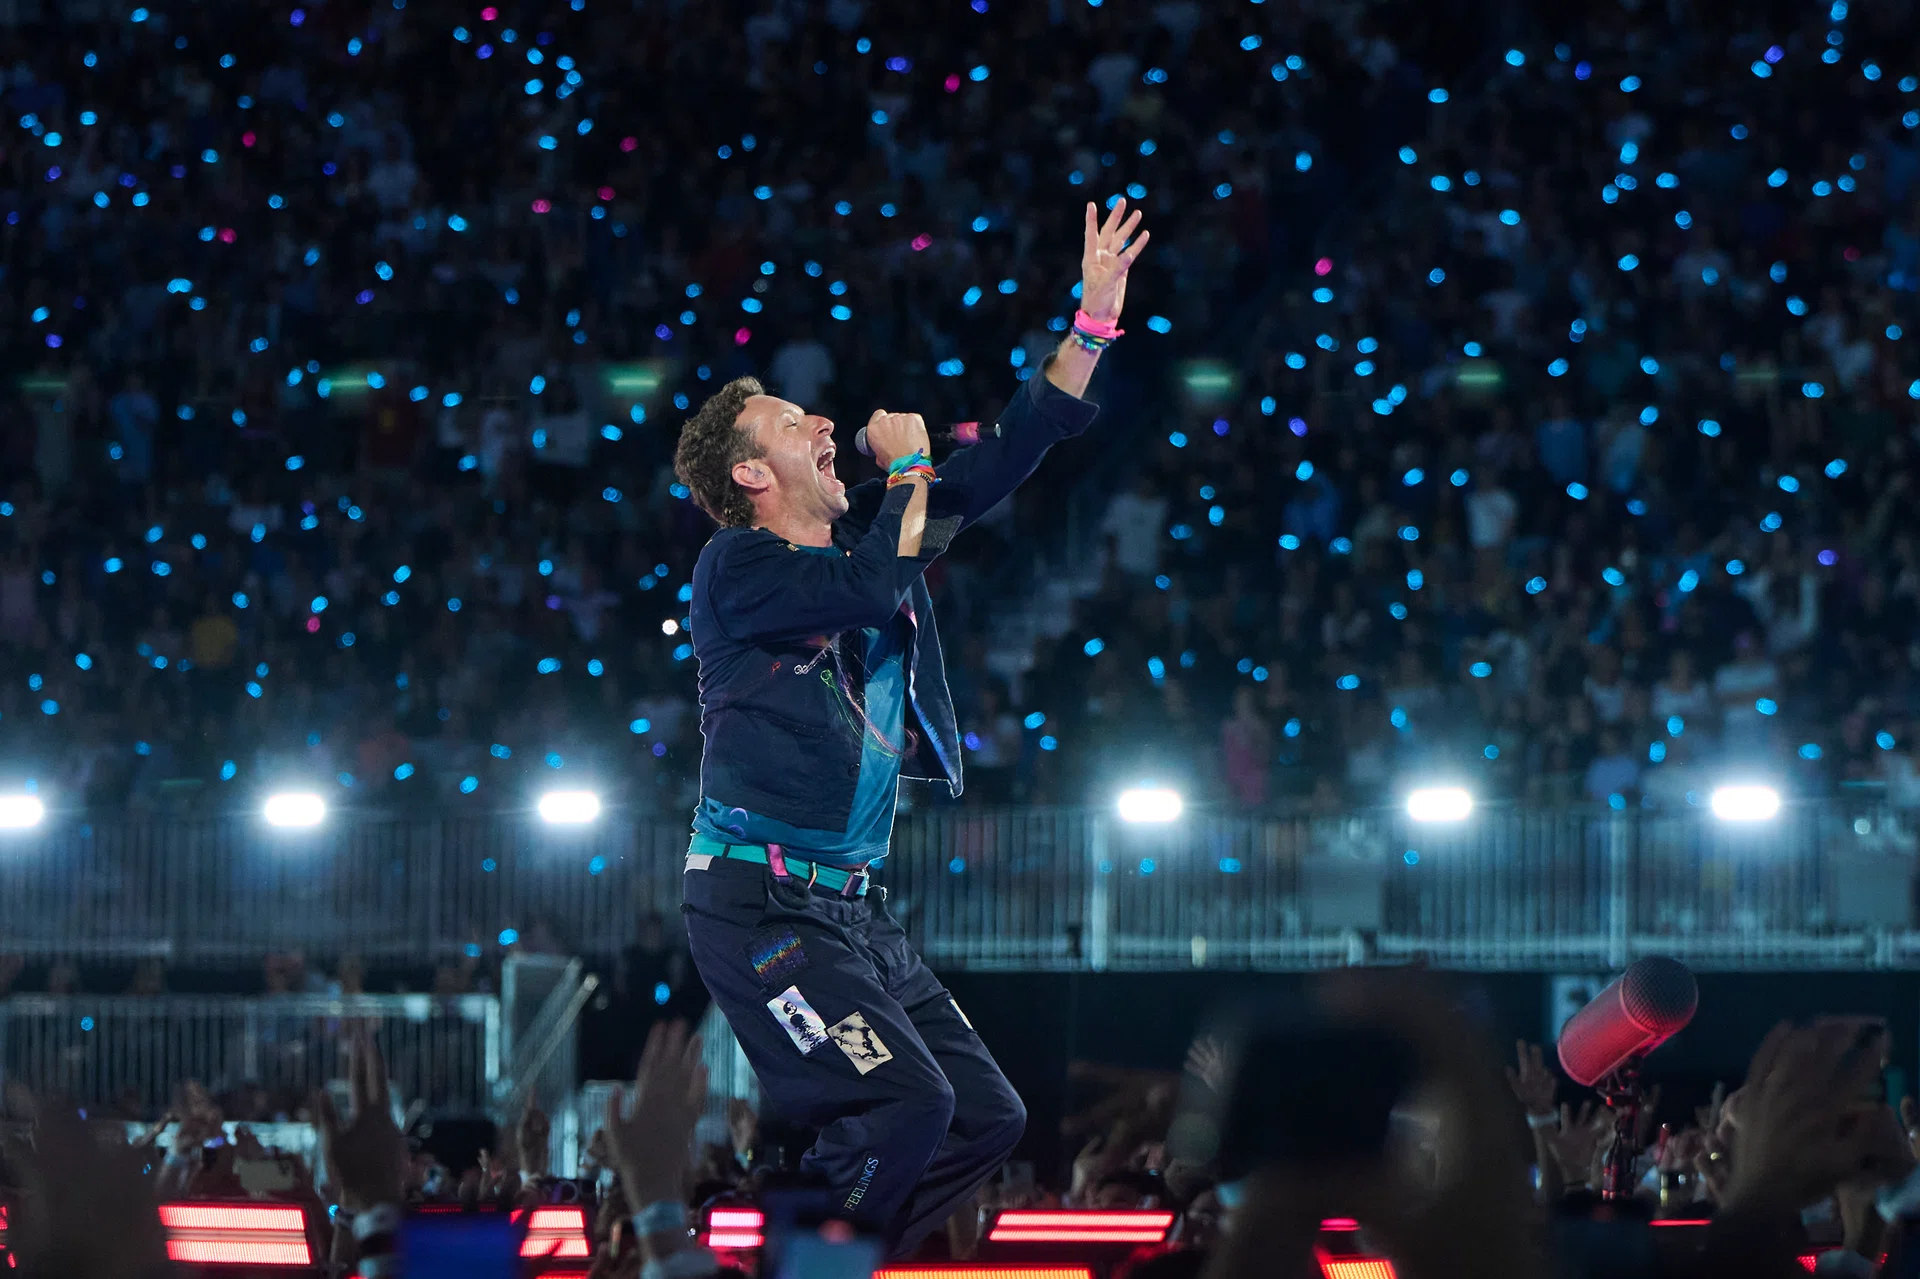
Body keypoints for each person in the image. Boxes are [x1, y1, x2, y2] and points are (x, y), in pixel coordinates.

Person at [671, 199, 1149, 1254]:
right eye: (796, 427)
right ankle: (800, 1261)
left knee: (990, 1116)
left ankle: (804, 1227)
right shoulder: (738, 568)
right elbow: (868, 581)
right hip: (761, 908)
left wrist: (1094, 325)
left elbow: (1014, 445)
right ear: (751, 476)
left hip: (852, 911)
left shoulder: (888, 519)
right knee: (909, 1107)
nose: (825, 426)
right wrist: (909, 472)